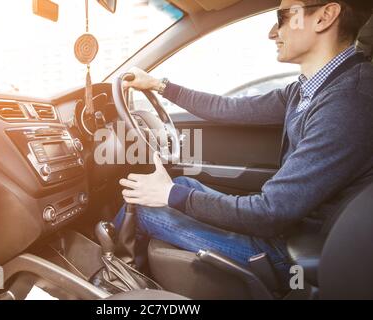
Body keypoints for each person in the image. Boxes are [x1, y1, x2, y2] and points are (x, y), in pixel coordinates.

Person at [114, 0, 373, 285]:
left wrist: (169, 195)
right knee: (182, 185)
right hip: (291, 228)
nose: (273, 32)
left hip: (292, 249)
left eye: (283, 16)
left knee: (143, 205)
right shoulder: (311, 89)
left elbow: (269, 213)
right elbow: (227, 108)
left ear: (325, 17)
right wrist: (158, 85)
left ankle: (113, 289)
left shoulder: (347, 103)